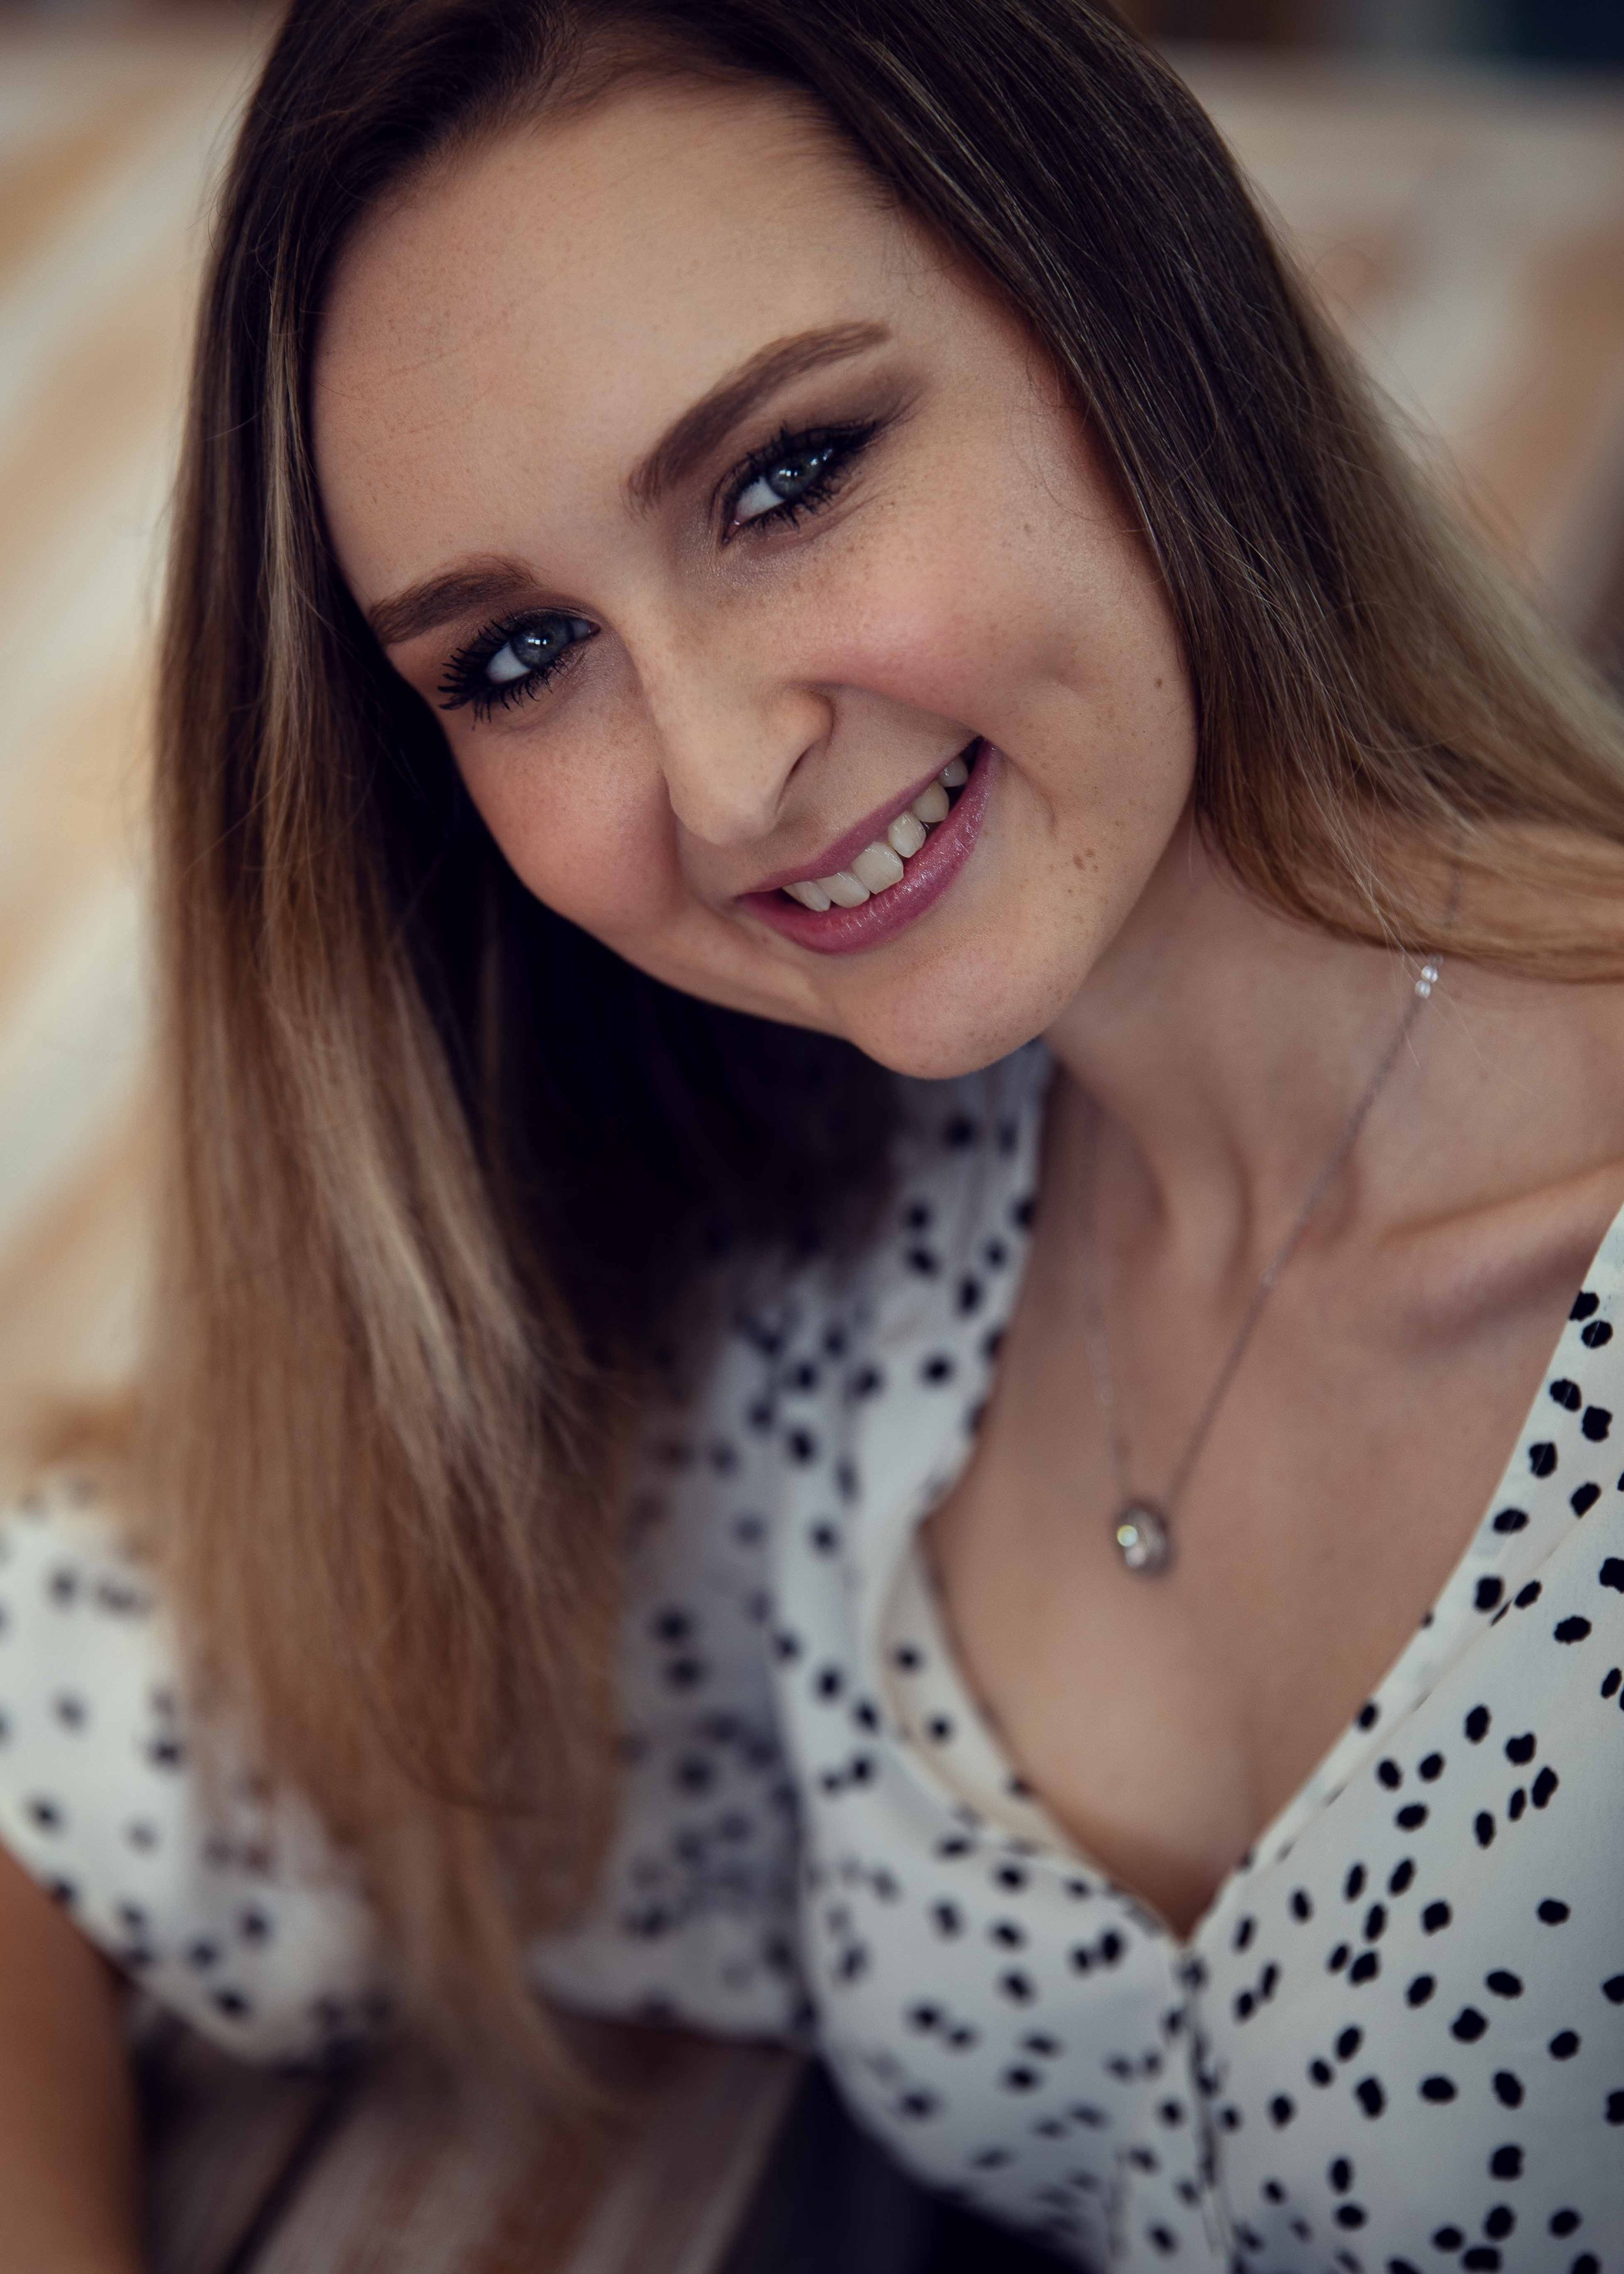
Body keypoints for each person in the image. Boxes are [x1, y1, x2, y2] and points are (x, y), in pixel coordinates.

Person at [2, 0, 1623, 2264]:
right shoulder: (852, 1311)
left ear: (1118, 308)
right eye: (515, 655)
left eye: (785, 476)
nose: (721, 771)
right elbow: (46, 1725)